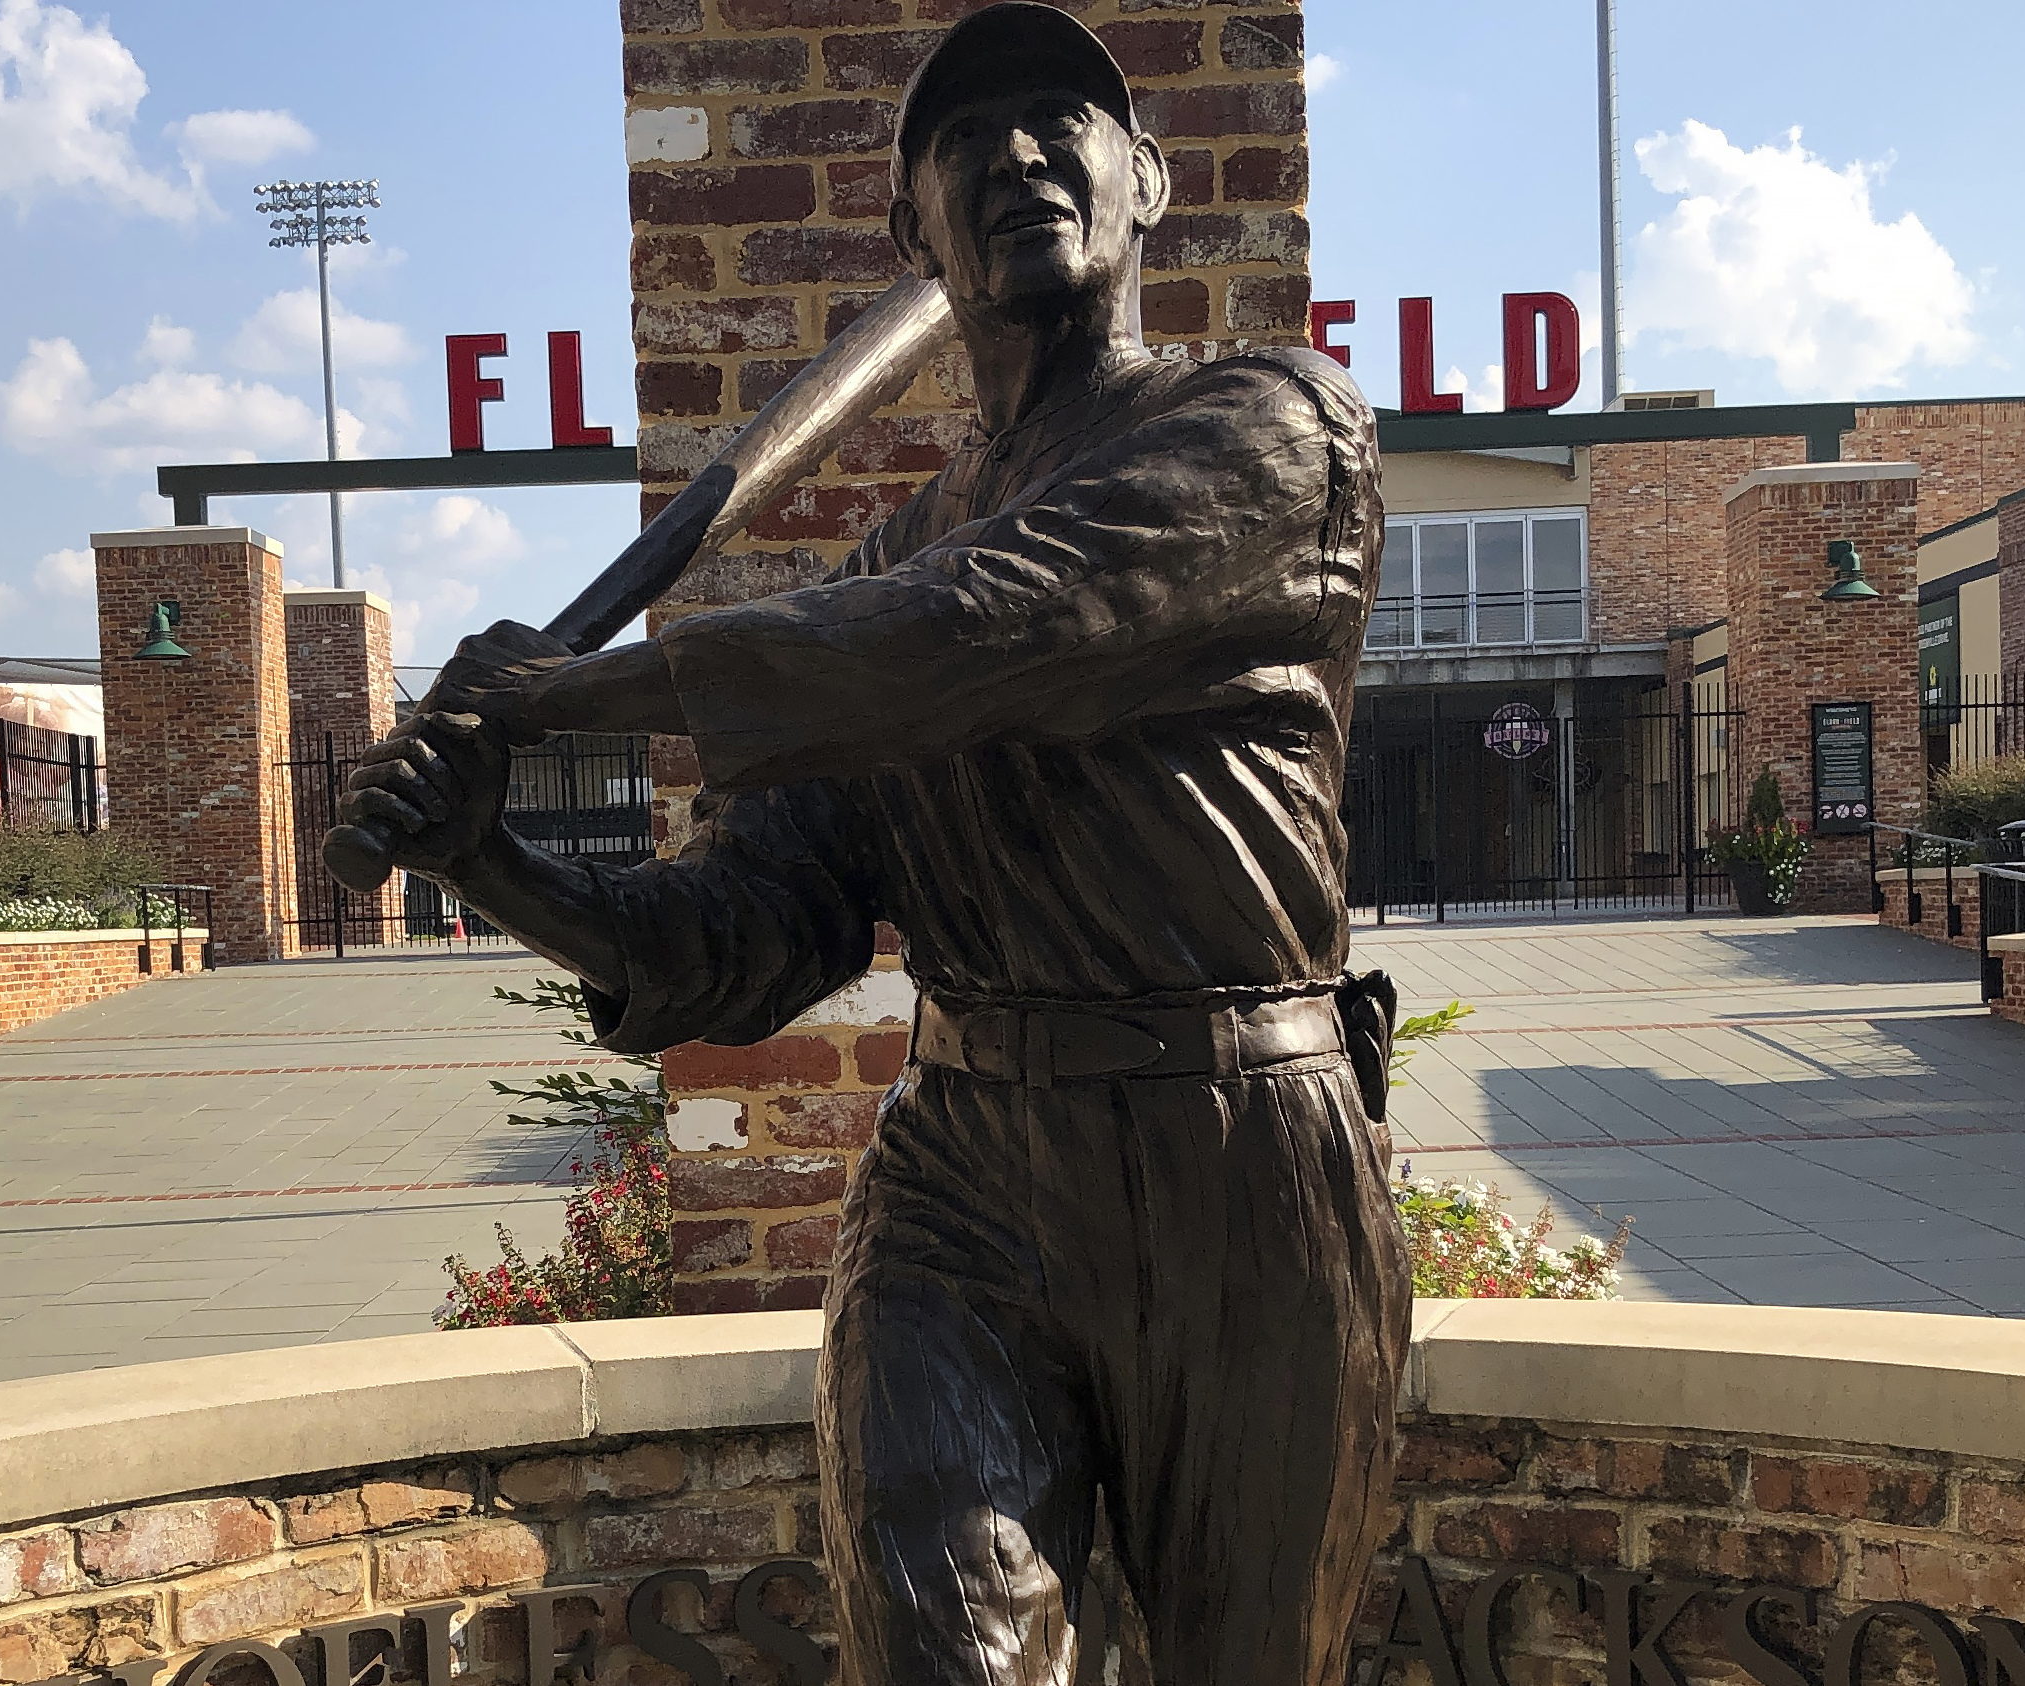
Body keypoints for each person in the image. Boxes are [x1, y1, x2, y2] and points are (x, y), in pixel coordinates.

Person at [339, 9, 1405, 1684]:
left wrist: (572, 697)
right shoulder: (892, 556)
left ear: (1148, 180)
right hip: (966, 1177)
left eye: (1063, 118)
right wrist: (489, 859)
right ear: (915, 232)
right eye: (963, 140)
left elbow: (1002, 623)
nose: (1019, 152)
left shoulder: (1276, 430)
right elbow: (743, 936)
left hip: (1244, 1158)